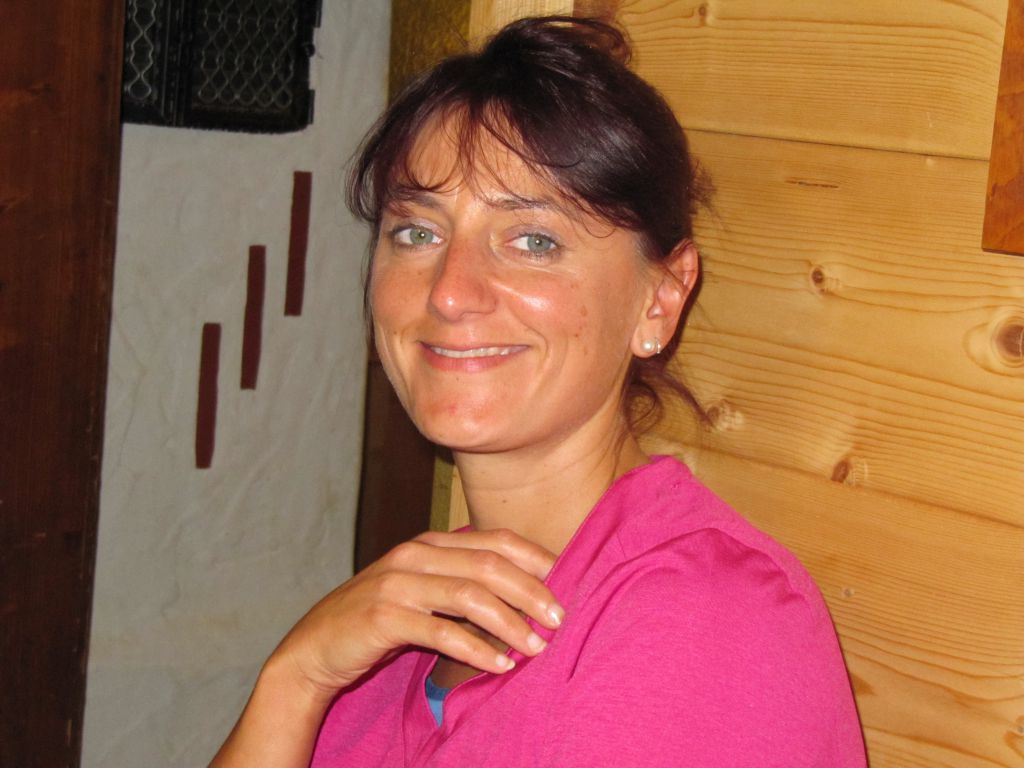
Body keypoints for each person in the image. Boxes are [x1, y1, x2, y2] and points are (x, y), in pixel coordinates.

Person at [212, 16, 866, 767]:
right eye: (417, 232)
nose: (450, 292)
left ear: (660, 299)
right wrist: (294, 679)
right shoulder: (398, 620)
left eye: (533, 241)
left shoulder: (707, 619)